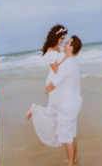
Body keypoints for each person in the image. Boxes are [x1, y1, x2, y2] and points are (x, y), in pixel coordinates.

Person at [31, 35, 85, 166]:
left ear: (71, 48)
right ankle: (73, 159)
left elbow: (56, 81)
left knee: (67, 136)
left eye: (68, 43)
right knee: (72, 133)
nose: (65, 44)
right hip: (75, 102)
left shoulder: (67, 64)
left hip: (68, 105)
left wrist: (47, 90)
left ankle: (71, 163)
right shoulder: (73, 62)